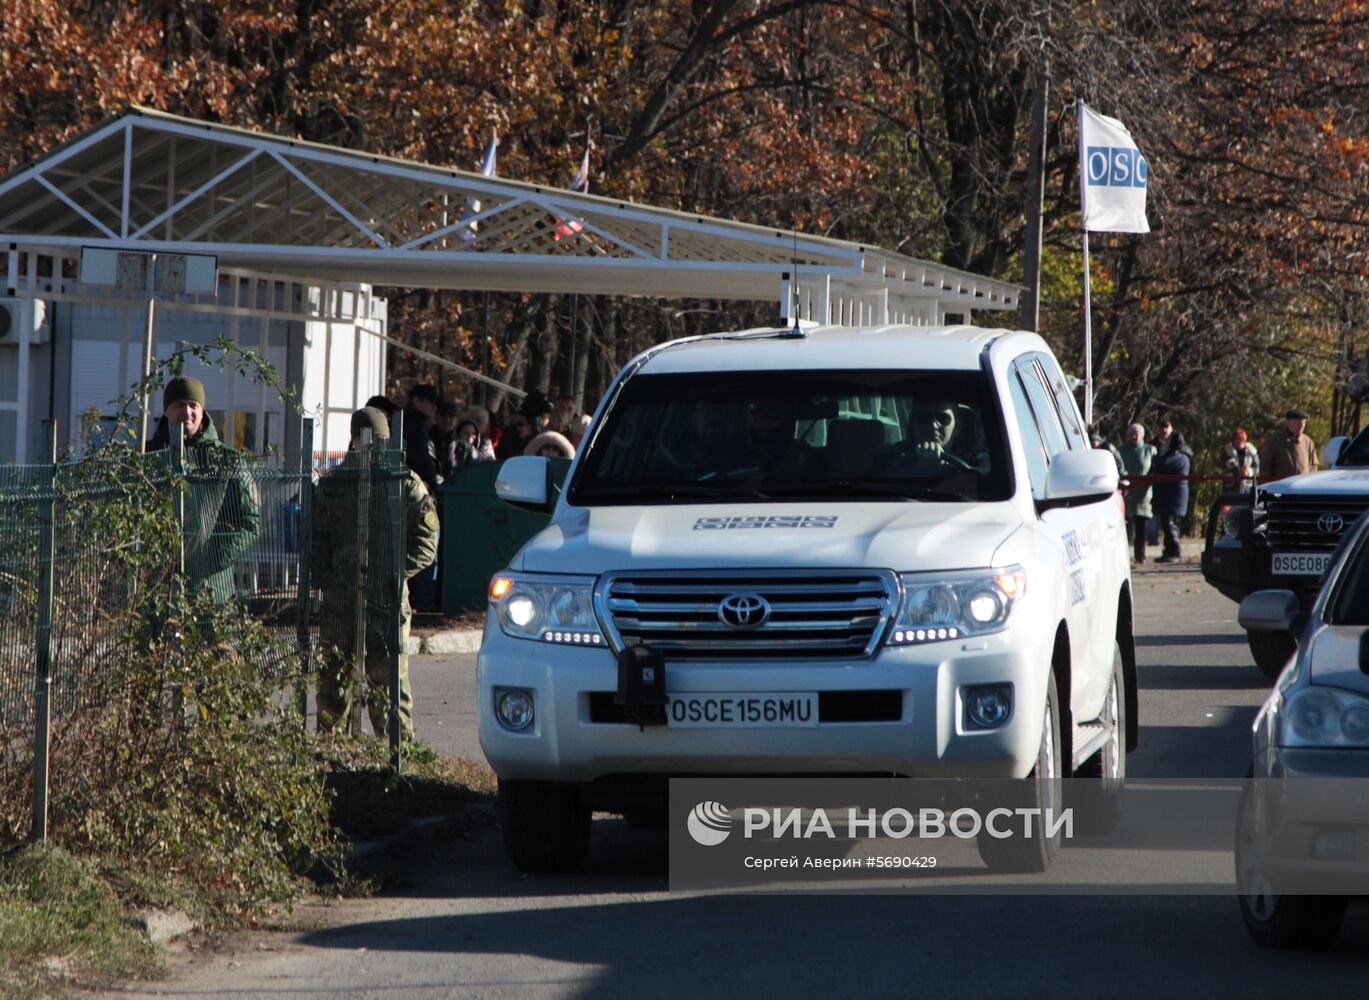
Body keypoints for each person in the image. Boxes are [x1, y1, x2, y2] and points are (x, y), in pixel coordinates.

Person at [311, 407, 440, 741]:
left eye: (378, 440)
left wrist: (395, 571)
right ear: (353, 441)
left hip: (387, 597)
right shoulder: (333, 484)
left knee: (389, 679)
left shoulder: (404, 483)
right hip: (341, 598)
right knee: (334, 675)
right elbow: (315, 538)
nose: (369, 446)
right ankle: (333, 748)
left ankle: (395, 752)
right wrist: (326, 578)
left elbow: (427, 539)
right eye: (362, 439)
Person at [146, 376, 261, 605]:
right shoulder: (147, 459)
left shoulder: (227, 461)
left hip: (210, 594)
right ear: (166, 411)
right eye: (179, 404)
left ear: (202, 410)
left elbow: (250, 521)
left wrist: (204, 562)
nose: (187, 411)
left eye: (193, 405)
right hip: (157, 593)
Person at [402, 384, 441, 610]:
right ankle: (426, 602)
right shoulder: (415, 426)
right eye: (428, 401)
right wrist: (436, 481)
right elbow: (422, 460)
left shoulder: (412, 424)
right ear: (415, 400)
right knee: (428, 545)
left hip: (410, 494)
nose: (432, 406)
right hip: (419, 497)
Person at [1152, 431, 1191, 563]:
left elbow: (1162, 464)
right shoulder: (1179, 456)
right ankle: (1168, 550)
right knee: (1166, 523)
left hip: (1174, 496)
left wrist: (1161, 450)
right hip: (1168, 495)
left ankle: (1175, 550)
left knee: (1170, 524)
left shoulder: (1181, 458)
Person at [1119, 423, 1155, 564]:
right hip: (1126, 494)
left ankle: (1140, 556)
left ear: (1142, 435)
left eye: (1137, 433)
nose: (1134, 436)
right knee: (1125, 528)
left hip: (1143, 494)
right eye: (1131, 433)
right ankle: (1123, 557)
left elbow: (1155, 468)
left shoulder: (1150, 450)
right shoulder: (1120, 451)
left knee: (1142, 528)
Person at [1259, 407, 1318, 482]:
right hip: (1281, 487)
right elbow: (1265, 466)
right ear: (1288, 423)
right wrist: (1267, 485)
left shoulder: (1308, 442)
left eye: (1303, 423)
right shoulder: (1275, 440)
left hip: (1303, 487)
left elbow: (1313, 466)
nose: (1301, 426)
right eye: (1297, 423)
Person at [1221, 427, 1260, 493]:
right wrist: (1229, 464)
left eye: (1241, 439)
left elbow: (1257, 468)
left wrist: (1248, 472)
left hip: (1247, 487)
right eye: (1236, 439)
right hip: (1230, 486)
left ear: (1244, 440)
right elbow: (1221, 464)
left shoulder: (1252, 452)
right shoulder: (1227, 451)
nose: (1238, 441)